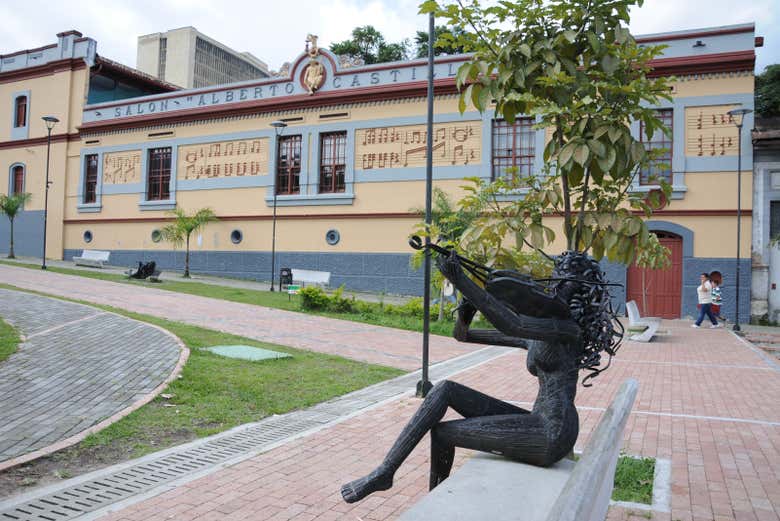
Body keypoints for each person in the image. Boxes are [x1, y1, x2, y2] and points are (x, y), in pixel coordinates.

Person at [340, 248, 622, 504]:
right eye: (557, 278)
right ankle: (385, 471)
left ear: (581, 293)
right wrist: (465, 310)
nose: (559, 287)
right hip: (539, 420)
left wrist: (463, 280)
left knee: (442, 432)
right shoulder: (539, 333)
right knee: (446, 389)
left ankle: (436, 502)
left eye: (569, 283)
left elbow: (511, 323)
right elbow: (463, 337)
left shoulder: (566, 330)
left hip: (553, 434)